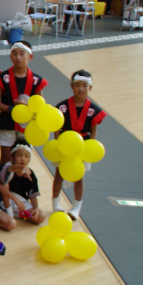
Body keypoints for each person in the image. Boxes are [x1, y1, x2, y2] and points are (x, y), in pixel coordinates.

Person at [52, 70, 106, 220]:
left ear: (90, 87)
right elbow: (57, 127)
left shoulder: (93, 109)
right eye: (77, 85)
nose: (81, 89)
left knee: (79, 177)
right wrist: (59, 144)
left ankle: (76, 207)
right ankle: (56, 204)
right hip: (64, 145)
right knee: (59, 175)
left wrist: (88, 149)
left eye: (84, 86)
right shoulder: (62, 107)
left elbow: (93, 130)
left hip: (82, 147)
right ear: (71, 86)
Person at [0, 41, 48, 163]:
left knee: (23, 160)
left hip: (27, 126)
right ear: (10, 57)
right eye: (15, 54)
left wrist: (28, 109)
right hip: (7, 123)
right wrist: (13, 109)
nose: (18, 57)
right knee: (6, 160)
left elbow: (41, 106)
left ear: (30, 57)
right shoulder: (2, 77)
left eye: (22, 53)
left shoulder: (36, 80)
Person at [0, 139, 45, 224]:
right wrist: (16, 200)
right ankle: (8, 212)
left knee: (40, 216)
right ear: (12, 157)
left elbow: (32, 195)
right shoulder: (7, 168)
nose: (23, 159)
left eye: (26, 156)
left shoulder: (30, 174)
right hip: (4, 200)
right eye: (19, 155)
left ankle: (17, 213)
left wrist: (36, 208)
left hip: (21, 202)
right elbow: (1, 186)